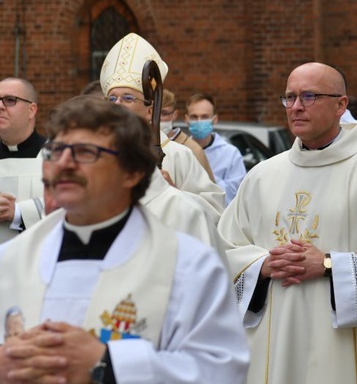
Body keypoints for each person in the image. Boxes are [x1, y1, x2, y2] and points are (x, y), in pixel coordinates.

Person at [218, 62, 357, 384]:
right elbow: (223, 250)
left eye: (309, 96)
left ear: (341, 105)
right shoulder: (262, 176)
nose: (295, 106)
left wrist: (325, 264)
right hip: (275, 342)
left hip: (344, 352)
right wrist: (262, 265)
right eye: (289, 97)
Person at [0, 96, 249, 382]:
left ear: (131, 172)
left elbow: (222, 369)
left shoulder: (187, 265)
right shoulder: (12, 260)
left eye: (84, 152)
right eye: (56, 151)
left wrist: (108, 362)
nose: (64, 164)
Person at [100, 32, 226, 216]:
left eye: (127, 98)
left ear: (150, 110)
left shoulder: (179, 155)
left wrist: (175, 193)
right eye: (112, 99)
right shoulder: (95, 153)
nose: (117, 105)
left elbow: (216, 213)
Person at [0, 78, 46, 242]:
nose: (0, 106)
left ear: (31, 110)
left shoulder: (57, 155)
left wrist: (19, 212)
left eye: (10, 100)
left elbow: (74, 205)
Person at [186, 93, 246, 206]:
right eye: (194, 117)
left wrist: (206, 175)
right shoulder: (181, 151)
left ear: (215, 119)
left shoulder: (230, 154)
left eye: (204, 117)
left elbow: (236, 196)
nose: (199, 121)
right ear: (186, 119)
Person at [160, 88, 215, 182]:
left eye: (164, 113)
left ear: (174, 115)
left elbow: (206, 194)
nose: (158, 119)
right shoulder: (140, 144)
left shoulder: (192, 149)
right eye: (153, 113)